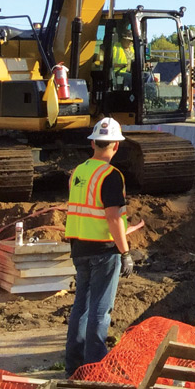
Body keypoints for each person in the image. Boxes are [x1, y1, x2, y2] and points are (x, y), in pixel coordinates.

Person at [64, 117, 135, 375]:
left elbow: (83, 209)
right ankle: (94, 367)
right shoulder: (111, 175)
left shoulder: (78, 172)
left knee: (81, 308)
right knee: (100, 311)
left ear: (93, 143)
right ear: (115, 146)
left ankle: (73, 365)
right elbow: (113, 216)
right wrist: (125, 252)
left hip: (79, 247)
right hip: (104, 251)